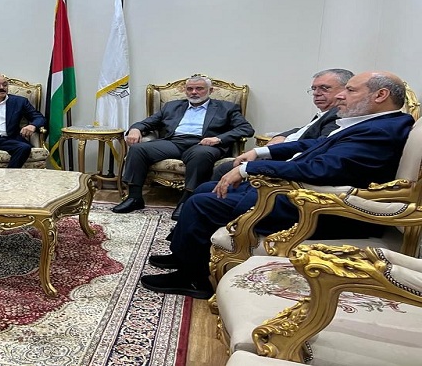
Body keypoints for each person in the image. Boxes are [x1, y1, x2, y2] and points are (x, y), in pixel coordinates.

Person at [141, 71, 415, 300]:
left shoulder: (380, 131)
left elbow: (322, 169)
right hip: (303, 191)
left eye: (350, 90)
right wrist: (262, 152)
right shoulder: (375, 123)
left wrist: (249, 169)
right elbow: (316, 144)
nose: (341, 95)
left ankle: (194, 279)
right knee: (205, 190)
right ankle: (184, 256)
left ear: (381, 95)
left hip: (321, 208)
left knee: (203, 202)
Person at [112, 75, 255, 218]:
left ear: (210, 90)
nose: (194, 92)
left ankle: (186, 202)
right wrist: (135, 129)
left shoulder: (226, 108)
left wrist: (218, 139)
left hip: (204, 144)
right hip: (174, 142)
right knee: (138, 149)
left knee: (201, 155)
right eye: (190, 89)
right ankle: (134, 198)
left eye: (199, 89)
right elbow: (147, 122)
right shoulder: (172, 106)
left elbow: (246, 129)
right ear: (185, 90)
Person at [211, 68, 353, 180]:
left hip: (291, 163)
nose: (316, 93)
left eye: (324, 88)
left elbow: (318, 145)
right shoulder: (326, 112)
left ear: (345, 90)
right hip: (280, 154)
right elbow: (305, 129)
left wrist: (266, 151)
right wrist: (282, 136)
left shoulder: (338, 115)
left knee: (224, 170)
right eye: (314, 89)